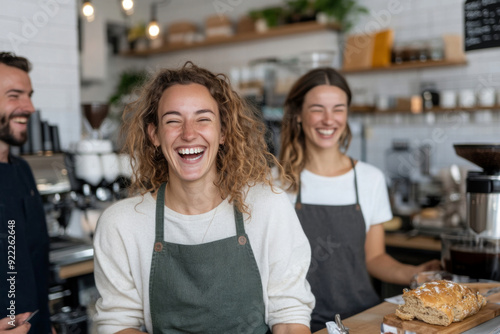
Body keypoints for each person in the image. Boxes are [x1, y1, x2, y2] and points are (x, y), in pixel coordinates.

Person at [93, 61, 315, 334]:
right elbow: (117, 324)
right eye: (173, 121)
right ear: (154, 135)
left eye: (203, 119)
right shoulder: (121, 224)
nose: (188, 134)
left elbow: (290, 314)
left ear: (223, 132)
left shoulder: (268, 206)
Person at [276, 67, 441, 332]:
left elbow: (374, 257)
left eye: (338, 109)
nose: (329, 120)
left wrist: (415, 274)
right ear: (298, 115)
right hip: (299, 324)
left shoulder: (369, 178)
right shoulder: (275, 182)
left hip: (360, 319)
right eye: (318, 109)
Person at [0, 52, 52, 333]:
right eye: (14, 96)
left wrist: (47, 323)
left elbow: (33, 262)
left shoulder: (23, 172)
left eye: (29, 95)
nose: (29, 107)